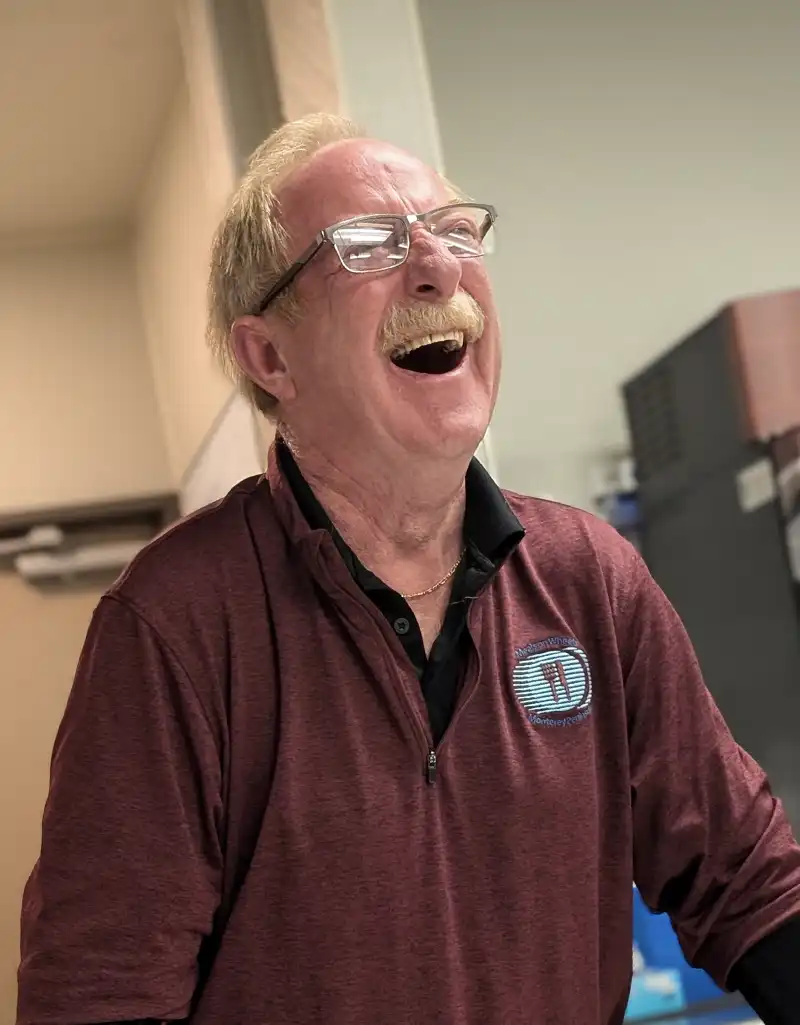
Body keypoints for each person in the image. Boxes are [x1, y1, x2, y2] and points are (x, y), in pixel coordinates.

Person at [17, 113, 800, 1025]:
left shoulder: (590, 578)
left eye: (456, 231)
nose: (439, 267)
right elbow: (99, 998)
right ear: (269, 356)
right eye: (370, 244)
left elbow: (749, 884)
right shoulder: (177, 622)